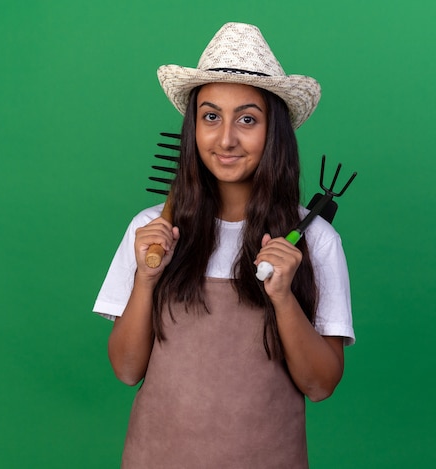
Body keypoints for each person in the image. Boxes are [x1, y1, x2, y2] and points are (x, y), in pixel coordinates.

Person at [93, 22, 355, 468]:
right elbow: (126, 369)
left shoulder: (315, 241)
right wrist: (145, 279)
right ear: (192, 128)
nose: (226, 138)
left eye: (247, 119)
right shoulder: (150, 232)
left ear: (275, 133)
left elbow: (320, 385)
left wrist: (283, 298)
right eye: (210, 117)